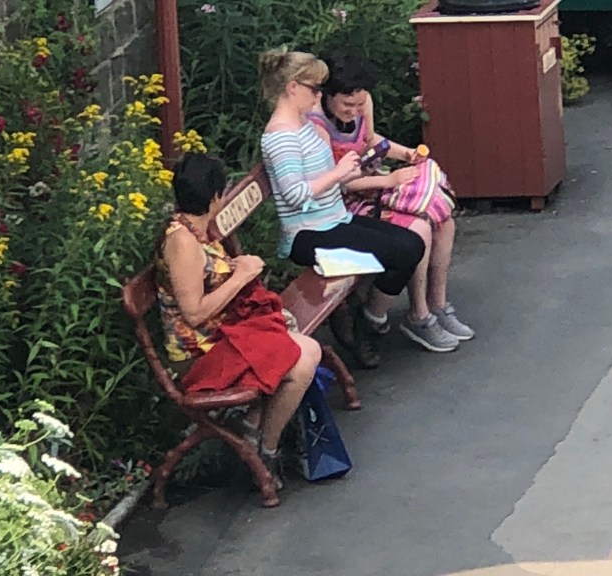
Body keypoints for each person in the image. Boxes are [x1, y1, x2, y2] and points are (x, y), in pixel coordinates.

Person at [155, 153, 321, 489]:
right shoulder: (182, 242)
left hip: (224, 336)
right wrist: (241, 275)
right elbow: (194, 313)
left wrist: (238, 268)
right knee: (303, 360)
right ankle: (264, 450)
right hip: (199, 354)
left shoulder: (197, 229)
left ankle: (255, 428)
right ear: (215, 197)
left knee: (306, 349)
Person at [258, 48, 425, 363]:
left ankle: (365, 315)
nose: (319, 96)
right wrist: (338, 174)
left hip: (335, 218)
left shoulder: (303, 124)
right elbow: (295, 194)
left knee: (412, 243)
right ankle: (361, 323)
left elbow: (324, 175)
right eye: (314, 89)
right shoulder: (281, 137)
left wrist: (352, 171)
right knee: (404, 250)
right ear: (293, 88)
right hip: (308, 234)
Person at [306, 52, 474, 352]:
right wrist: (389, 181)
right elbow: (337, 181)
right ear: (327, 96)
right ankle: (418, 315)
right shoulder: (317, 126)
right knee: (420, 227)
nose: (355, 111)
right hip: (344, 200)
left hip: (372, 183)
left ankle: (437, 305)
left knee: (444, 222)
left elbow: (371, 140)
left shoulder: (363, 103)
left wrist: (407, 154)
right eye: (347, 105)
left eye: (360, 104)